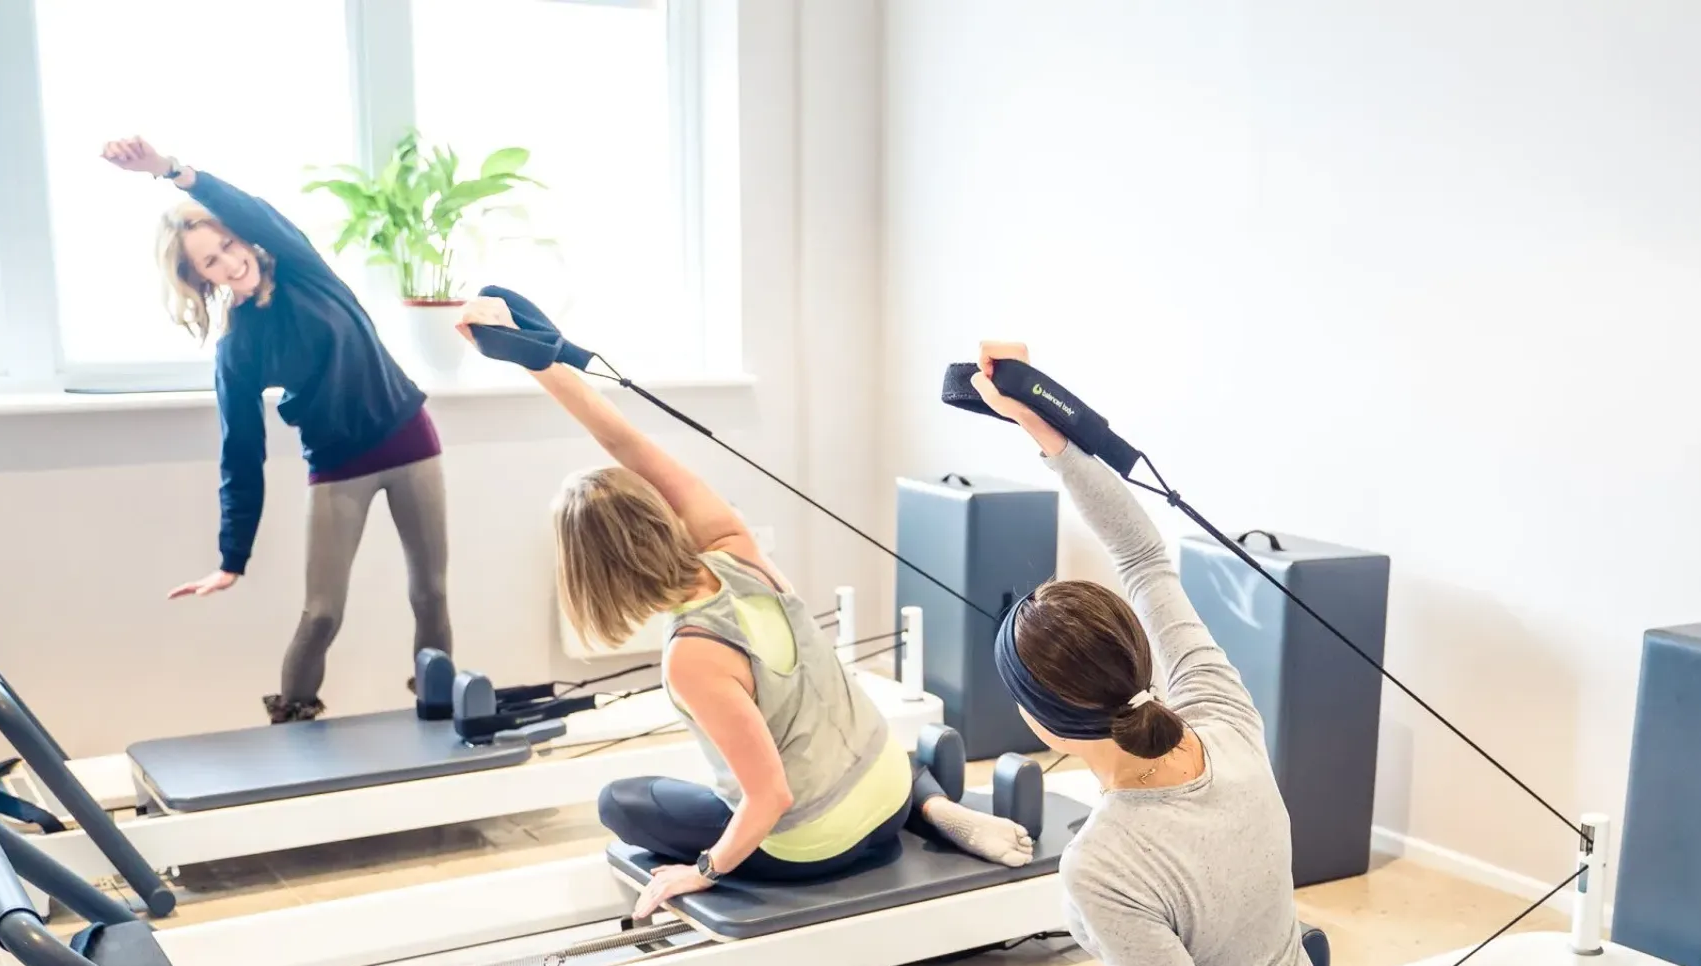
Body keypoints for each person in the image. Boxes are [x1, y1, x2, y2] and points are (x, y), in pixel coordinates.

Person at [897, 342, 1356, 966]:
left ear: (1040, 720)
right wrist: (1045, 432)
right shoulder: (1222, 711)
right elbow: (1143, 553)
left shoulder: (1105, 861)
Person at [452, 293, 1035, 919]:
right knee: (837, 746)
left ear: (594, 575)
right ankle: (933, 803)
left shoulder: (693, 658)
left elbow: (771, 798)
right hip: (888, 792)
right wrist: (536, 360)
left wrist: (703, 870)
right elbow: (626, 442)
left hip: (816, 847)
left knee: (622, 803)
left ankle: (912, 808)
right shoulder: (737, 549)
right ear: (654, 513)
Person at [102, 137, 452, 723]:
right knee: (321, 614)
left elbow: (250, 208)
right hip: (340, 467)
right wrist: (230, 558)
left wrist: (169, 170)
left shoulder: (301, 268)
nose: (230, 262)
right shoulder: (238, 348)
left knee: (431, 593)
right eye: (211, 262)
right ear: (200, 278)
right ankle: (293, 726)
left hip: (410, 439)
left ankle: (441, 714)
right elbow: (240, 453)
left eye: (228, 245)